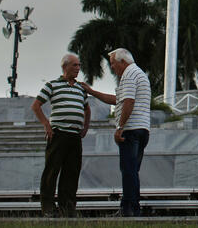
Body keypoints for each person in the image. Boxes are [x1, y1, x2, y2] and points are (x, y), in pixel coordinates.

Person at [80, 48, 151, 218]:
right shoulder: (138, 73)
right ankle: (131, 207)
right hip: (142, 129)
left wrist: (120, 127)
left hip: (131, 130)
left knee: (128, 170)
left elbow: (128, 102)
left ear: (122, 62)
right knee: (132, 170)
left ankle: (129, 210)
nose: (112, 68)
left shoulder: (128, 75)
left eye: (112, 64)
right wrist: (92, 92)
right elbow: (116, 99)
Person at [31, 52, 90, 218]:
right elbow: (36, 106)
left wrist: (85, 126)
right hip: (58, 134)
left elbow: (87, 109)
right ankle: (48, 208)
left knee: (72, 172)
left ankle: (67, 207)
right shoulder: (52, 85)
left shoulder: (80, 88)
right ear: (65, 67)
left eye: (79, 65)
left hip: (74, 135)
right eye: (74, 65)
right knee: (52, 171)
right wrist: (46, 125)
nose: (78, 68)